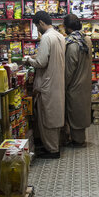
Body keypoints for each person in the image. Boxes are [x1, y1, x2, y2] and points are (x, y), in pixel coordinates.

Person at [24, 11, 65, 159]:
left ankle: (52, 150)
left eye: (36, 26)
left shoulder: (47, 37)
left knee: (47, 116)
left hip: (47, 82)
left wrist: (29, 59)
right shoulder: (59, 36)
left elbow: (41, 62)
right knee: (55, 114)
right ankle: (54, 145)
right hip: (57, 81)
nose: (37, 29)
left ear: (41, 23)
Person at [63, 14, 92, 147]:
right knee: (82, 110)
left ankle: (78, 141)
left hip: (75, 84)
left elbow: (69, 70)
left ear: (68, 28)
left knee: (75, 112)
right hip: (85, 81)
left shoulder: (72, 44)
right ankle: (78, 138)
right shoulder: (87, 39)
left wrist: (63, 85)